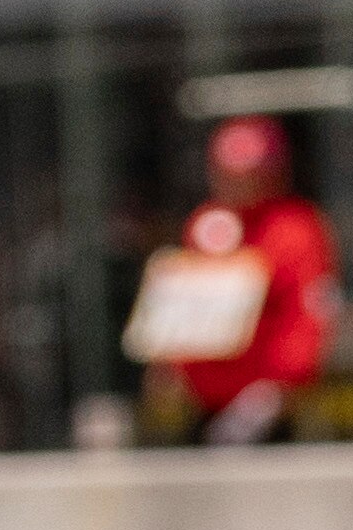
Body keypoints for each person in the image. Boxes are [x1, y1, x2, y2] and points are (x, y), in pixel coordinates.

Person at [143, 114, 336, 444]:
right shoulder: (206, 223)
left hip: (267, 402)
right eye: (228, 173)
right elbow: (186, 308)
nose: (238, 183)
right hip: (202, 402)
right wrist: (169, 363)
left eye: (249, 174)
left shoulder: (297, 229)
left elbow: (308, 313)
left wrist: (283, 386)